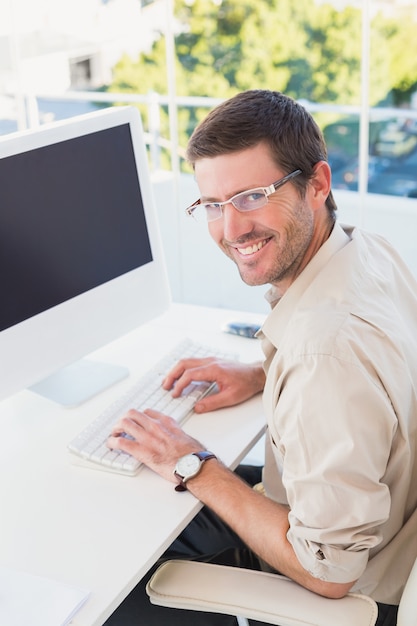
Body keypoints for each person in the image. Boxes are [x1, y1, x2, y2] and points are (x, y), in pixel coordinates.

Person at [104, 90, 417, 626]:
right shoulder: (366, 252)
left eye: (251, 196)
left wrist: (192, 464)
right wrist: (263, 373)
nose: (231, 230)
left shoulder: (326, 355)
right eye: (212, 205)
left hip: (353, 589)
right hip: (387, 517)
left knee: (104, 585)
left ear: (316, 184)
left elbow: (329, 571)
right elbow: (371, 377)